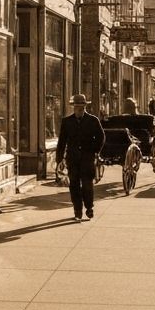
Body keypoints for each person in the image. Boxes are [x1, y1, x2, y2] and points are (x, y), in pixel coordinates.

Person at [56, 93, 106, 221]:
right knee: (74, 185)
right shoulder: (67, 122)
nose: (79, 110)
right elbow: (61, 141)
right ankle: (77, 210)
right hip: (72, 159)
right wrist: (59, 159)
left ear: (85, 107)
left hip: (87, 158)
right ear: (73, 107)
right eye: (77, 107)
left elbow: (101, 137)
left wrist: (94, 150)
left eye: (81, 107)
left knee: (87, 184)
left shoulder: (93, 120)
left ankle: (89, 207)